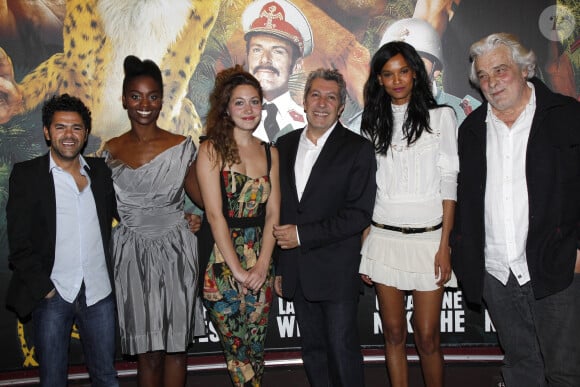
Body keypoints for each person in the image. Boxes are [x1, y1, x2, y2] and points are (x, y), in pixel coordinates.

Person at [451, 33, 580, 386]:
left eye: (500, 70)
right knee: (522, 367)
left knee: (566, 372)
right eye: (484, 76)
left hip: (557, 267)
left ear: (524, 69)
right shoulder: (471, 129)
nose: (492, 82)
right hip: (497, 273)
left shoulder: (567, 116)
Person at [358, 41, 458, 387]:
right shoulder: (370, 123)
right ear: (379, 81)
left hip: (430, 240)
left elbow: (449, 183)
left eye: (403, 71)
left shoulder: (442, 116)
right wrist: (365, 237)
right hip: (384, 237)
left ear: (416, 73)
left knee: (428, 337)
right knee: (394, 334)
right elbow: (367, 186)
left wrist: (445, 244)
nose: (397, 80)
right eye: (388, 74)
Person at [103, 55, 205, 387]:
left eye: (152, 96)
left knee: (176, 348)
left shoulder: (182, 147)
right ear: (124, 99)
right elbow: (105, 209)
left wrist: (196, 218)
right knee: (147, 351)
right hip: (131, 255)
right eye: (136, 96)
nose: (144, 104)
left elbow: (204, 201)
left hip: (176, 251)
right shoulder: (108, 152)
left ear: (162, 99)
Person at [5, 94, 118, 386]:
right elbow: (18, 244)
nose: (69, 135)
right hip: (53, 295)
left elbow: (131, 214)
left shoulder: (102, 173)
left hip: (98, 293)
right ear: (47, 132)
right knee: (53, 380)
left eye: (76, 128)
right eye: (60, 127)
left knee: (106, 376)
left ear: (86, 133)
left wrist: (183, 217)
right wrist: (45, 290)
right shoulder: (27, 176)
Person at [273, 68, 377, 387]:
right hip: (298, 274)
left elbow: (358, 215)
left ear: (341, 106)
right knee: (314, 354)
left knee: (343, 355)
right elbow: (281, 209)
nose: (322, 103)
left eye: (331, 97)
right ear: (304, 101)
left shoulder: (358, 149)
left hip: (336, 273)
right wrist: (281, 267)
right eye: (315, 95)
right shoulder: (284, 144)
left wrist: (302, 235)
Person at [196, 65, 280, 387]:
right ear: (227, 108)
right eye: (240, 102)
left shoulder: (271, 153)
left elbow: (273, 214)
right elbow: (215, 216)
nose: (248, 110)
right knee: (238, 354)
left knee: (255, 351)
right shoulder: (211, 149)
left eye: (254, 102)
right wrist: (239, 271)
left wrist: (261, 266)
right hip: (221, 264)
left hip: (262, 260)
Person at [241, 0, 313, 142]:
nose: (265, 59)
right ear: (247, 57)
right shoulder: (229, 118)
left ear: (297, 65)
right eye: (257, 50)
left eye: (278, 51)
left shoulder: (309, 124)